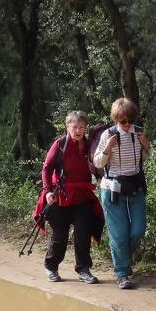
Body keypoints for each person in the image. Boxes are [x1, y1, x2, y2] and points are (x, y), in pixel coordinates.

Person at [34, 111, 104, 283]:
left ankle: (83, 270)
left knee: (83, 235)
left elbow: (99, 166)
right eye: (75, 127)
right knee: (60, 236)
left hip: (82, 197)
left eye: (81, 127)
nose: (78, 130)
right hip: (60, 197)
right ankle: (51, 267)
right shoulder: (60, 144)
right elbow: (46, 169)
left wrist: (102, 180)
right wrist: (48, 191)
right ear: (68, 127)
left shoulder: (90, 145)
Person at [92, 97, 150, 290]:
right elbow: (97, 162)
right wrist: (108, 148)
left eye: (129, 120)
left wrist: (146, 146)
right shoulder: (108, 134)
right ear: (116, 119)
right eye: (122, 121)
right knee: (118, 234)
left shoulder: (139, 133)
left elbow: (146, 158)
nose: (126, 125)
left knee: (138, 230)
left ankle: (122, 258)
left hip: (135, 187)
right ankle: (122, 274)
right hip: (112, 190)